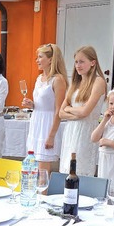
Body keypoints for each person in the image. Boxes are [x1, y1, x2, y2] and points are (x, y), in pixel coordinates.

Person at [58, 45, 106, 176]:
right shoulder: (75, 83)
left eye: (82, 61)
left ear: (92, 62)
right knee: (67, 168)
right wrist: (74, 113)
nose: (78, 65)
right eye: (76, 62)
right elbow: (61, 113)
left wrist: (69, 109)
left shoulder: (98, 81)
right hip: (71, 130)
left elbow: (86, 112)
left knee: (81, 168)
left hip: (86, 131)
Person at [22, 43, 68, 174]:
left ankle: (43, 193)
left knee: (43, 168)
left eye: (40, 57)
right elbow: (42, 103)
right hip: (36, 121)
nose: (37, 60)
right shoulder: (39, 78)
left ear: (50, 60)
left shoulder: (58, 80)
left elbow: (59, 109)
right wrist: (32, 104)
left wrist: (51, 136)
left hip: (47, 124)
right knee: (33, 164)